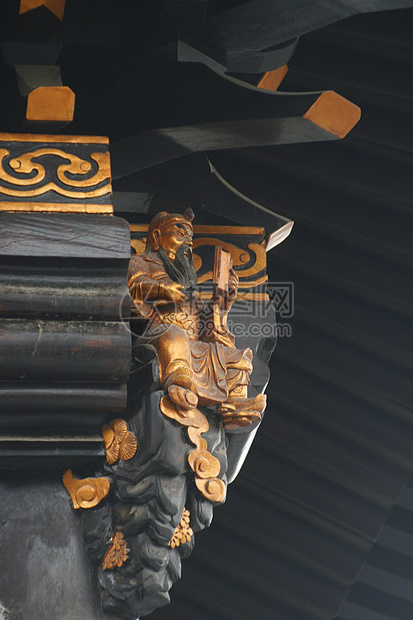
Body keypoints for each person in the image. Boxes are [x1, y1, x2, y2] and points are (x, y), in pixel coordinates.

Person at [128, 208, 265, 427]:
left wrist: (223, 303)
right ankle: (179, 385)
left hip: (195, 347)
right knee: (175, 336)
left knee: (238, 357)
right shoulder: (141, 262)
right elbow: (135, 285)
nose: (188, 242)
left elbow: (206, 326)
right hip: (160, 337)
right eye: (180, 233)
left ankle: (234, 404)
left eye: (190, 237)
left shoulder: (187, 284)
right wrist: (163, 290)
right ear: (156, 237)